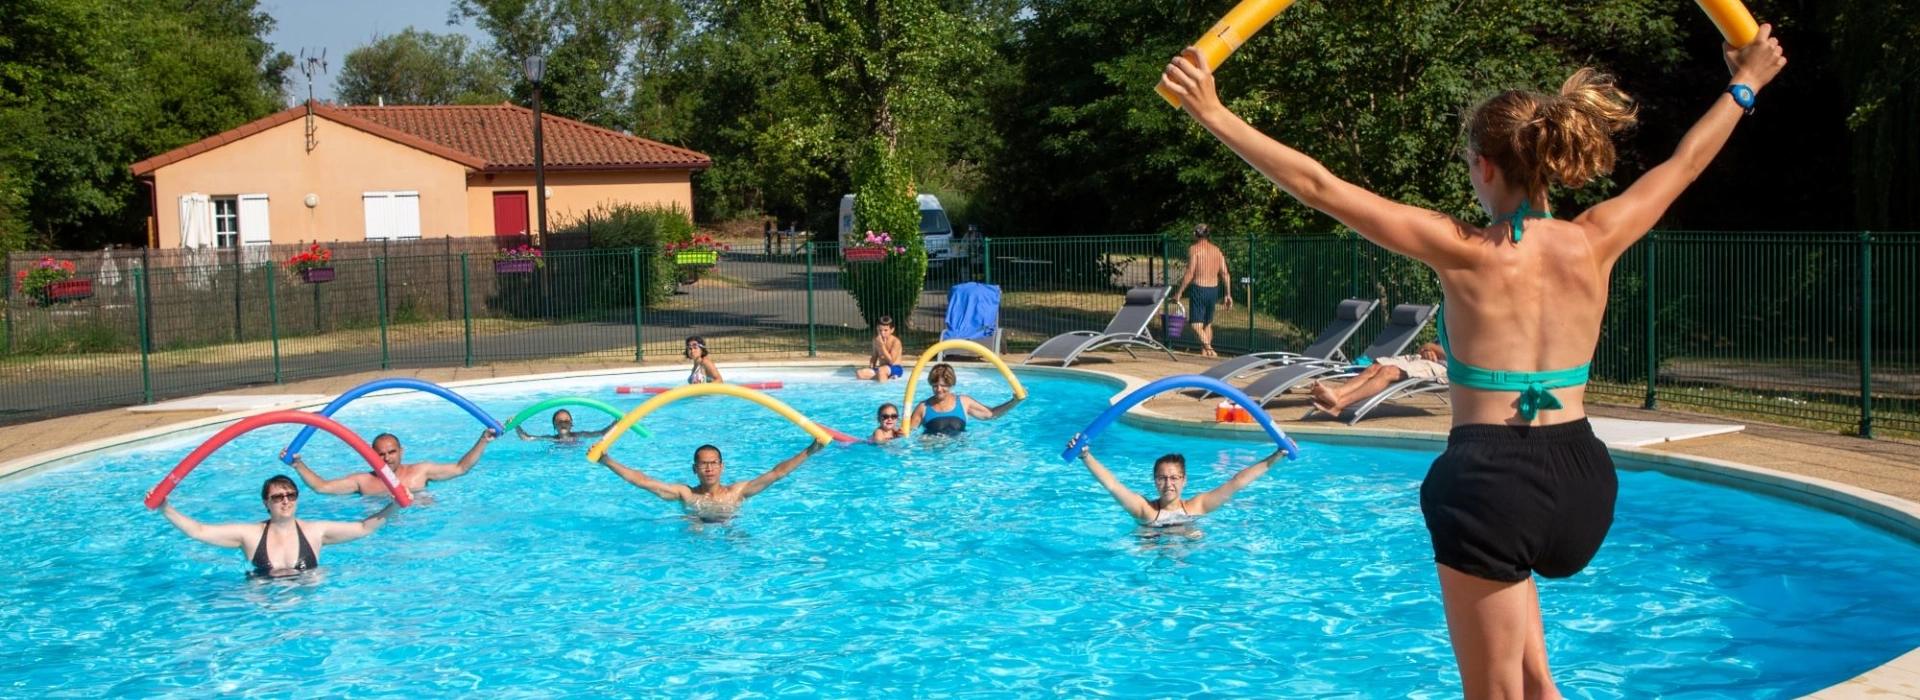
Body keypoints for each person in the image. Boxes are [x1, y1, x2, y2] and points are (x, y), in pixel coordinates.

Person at [1160, 25, 1785, 698]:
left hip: (1492, 483)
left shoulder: (1464, 249)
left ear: (1485, 166)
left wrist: (1212, 111)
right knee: (1537, 688)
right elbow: (1687, 163)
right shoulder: (1598, 238)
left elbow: (1318, 186)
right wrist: (1745, 83)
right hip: (1583, 482)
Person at [156, 475, 398, 577]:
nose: (285, 501)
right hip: (264, 617)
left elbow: (363, 528)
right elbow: (198, 531)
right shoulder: (249, 535)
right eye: (277, 497)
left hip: (307, 618)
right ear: (266, 503)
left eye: (291, 495)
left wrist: (396, 505)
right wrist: (165, 508)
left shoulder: (315, 531)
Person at [1072, 440, 1285, 528]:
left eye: (1174, 478)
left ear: (1184, 480)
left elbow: (1237, 482)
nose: (1168, 484)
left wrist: (1276, 455)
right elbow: (1113, 485)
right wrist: (1086, 456)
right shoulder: (1145, 510)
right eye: (1162, 478)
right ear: (1154, 481)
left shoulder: (1197, 506)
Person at [595, 441, 826, 520]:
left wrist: (811, 450)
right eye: (704, 464)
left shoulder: (738, 492)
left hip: (730, 530)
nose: (709, 468)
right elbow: (643, 481)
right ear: (694, 469)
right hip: (695, 536)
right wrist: (607, 461)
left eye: (714, 463)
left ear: (722, 467)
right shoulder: (685, 494)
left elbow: (777, 473)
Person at [291, 430, 496, 496]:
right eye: (380, 454)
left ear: (401, 452)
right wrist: (298, 464)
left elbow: (461, 468)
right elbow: (322, 487)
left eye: (392, 452)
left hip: (421, 528)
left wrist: (483, 440)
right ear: (371, 455)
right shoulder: (363, 481)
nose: (387, 458)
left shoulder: (421, 471)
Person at [1310, 342, 1447, 416]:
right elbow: (1423, 347)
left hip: (1443, 368)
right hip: (1422, 359)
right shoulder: (1450, 318)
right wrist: (1427, 349)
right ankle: (1337, 393)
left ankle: (1339, 405)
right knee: (1374, 367)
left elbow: (1464, 358)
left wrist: (1431, 347)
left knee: (1387, 372)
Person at [906, 363, 1023, 436]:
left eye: (943, 386)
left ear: (951, 384)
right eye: (935, 385)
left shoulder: (963, 402)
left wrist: (1014, 401)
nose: (939, 390)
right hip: (933, 454)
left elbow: (991, 415)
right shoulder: (923, 408)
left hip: (960, 457)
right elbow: (909, 434)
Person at [1172, 223, 1234, 357]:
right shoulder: (1217, 250)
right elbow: (1225, 273)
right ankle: (1205, 354)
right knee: (1207, 324)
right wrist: (1228, 294)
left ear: (1195, 234)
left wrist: (1179, 293)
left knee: (1195, 325)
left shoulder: (1194, 250)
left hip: (1200, 289)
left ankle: (1210, 350)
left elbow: (1190, 273)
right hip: (1213, 290)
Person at [855, 316, 905, 382]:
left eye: (885, 330)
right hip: (882, 368)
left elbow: (891, 361)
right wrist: (871, 368)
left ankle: (882, 390)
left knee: (881, 371)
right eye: (880, 330)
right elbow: (874, 357)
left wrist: (882, 346)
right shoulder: (876, 340)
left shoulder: (895, 342)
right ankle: (886, 377)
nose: (882, 333)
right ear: (877, 329)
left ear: (892, 330)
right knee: (860, 373)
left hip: (895, 368)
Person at [515, 409, 608, 441]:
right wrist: (515, 424)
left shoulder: (581, 435)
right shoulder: (552, 439)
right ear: (554, 425)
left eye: (567, 421)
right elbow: (526, 438)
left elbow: (603, 433)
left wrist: (617, 421)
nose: (563, 423)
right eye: (560, 421)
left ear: (572, 424)